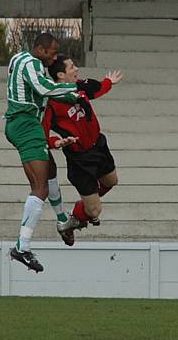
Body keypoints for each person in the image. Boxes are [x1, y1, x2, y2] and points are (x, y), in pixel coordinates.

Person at [4, 33, 87, 272]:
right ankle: (22, 246)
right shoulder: (33, 64)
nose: (54, 57)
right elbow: (42, 87)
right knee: (39, 188)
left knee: (50, 168)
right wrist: (74, 91)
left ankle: (62, 220)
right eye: (51, 52)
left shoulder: (18, 58)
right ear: (39, 49)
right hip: (26, 124)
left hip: (23, 123)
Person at [42, 54, 122, 234]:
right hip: (80, 158)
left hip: (98, 145)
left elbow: (97, 88)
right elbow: (43, 135)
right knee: (95, 210)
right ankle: (75, 219)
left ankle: (86, 203)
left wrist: (109, 81)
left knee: (111, 181)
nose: (76, 69)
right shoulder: (52, 102)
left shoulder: (79, 87)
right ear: (61, 75)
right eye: (71, 67)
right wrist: (57, 142)